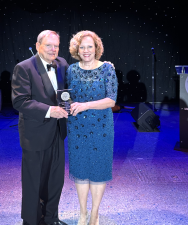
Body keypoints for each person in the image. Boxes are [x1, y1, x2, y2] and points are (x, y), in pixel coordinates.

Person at [11, 30, 69, 225]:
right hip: (35, 133)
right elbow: (20, 101)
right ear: (38, 46)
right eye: (48, 45)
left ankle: (51, 218)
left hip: (58, 131)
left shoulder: (62, 64)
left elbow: (70, 90)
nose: (53, 49)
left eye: (56, 46)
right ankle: (32, 220)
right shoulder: (24, 68)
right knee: (33, 181)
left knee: (55, 180)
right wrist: (49, 110)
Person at [66, 31, 118, 225]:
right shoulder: (71, 69)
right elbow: (67, 95)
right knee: (80, 169)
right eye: (82, 47)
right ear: (76, 49)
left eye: (90, 46)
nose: (86, 50)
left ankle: (94, 214)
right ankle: (82, 213)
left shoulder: (107, 69)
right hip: (77, 127)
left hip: (101, 127)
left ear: (97, 48)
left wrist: (86, 105)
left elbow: (111, 100)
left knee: (98, 170)